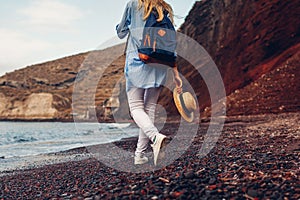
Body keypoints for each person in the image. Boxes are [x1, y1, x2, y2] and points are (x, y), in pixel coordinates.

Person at [116, 0, 178, 165]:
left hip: (138, 62)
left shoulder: (133, 4)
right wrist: (175, 71)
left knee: (136, 108)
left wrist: (126, 26)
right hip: (159, 64)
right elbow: (171, 43)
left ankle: (155, 137)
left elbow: (121, 32)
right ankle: (139, 155)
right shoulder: (164, 8)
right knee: (149, 108)